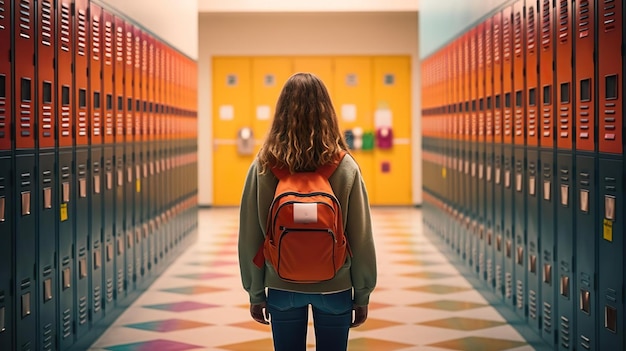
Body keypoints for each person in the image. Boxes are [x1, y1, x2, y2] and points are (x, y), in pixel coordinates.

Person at [238, 72, 377, 351]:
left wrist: (255, 291)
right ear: (328, 112)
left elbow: (249, 235)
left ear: (281, 112)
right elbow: (362, 238)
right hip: (335, 285)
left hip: (281, 283)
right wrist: (362, 294)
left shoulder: (263, 166)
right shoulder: (346, 167)